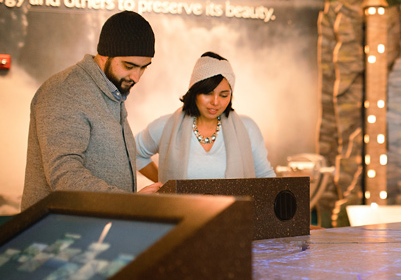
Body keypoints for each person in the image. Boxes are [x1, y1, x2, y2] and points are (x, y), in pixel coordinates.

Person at [22, 11, 162, 210]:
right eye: (129, 66)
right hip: (61, 234)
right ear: (105, 54)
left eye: (143, 67)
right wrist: (129, 202)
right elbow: (64, 174)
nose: (136, 77)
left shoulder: (111, 92)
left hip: (98, 227)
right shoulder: (65, 90)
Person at [135, 52, 275, 182]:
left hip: (236, 210)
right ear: (194, 92)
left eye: (224, 95)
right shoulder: (167, 126)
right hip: (180, 210)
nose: (215, 102)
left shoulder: (247, 127)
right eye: (208, 93)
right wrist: (165, 184)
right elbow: (134, 152)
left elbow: (265, 176)